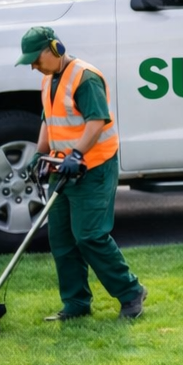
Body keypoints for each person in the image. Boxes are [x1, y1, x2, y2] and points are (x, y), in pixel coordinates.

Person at [16, 26, 147, 321]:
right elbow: (48, 121)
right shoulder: (49, 80)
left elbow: (97, 120)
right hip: (64, 168)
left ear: (55, 48)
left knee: (89, 235)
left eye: (36, 60)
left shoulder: (85, 78)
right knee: (61, 238)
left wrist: (77, 154)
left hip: (95, 166)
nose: (34, 67)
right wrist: (39, 153)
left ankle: (130, 292)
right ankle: (75, 304)